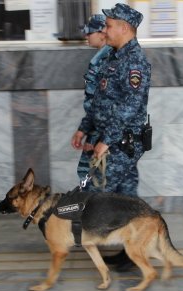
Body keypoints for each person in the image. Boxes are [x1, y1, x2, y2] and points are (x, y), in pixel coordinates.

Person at [71, 3, 151, 272]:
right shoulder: (114, 57)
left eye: (109, 25)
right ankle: (132, 251)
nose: (104, 30)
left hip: (122, 143)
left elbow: (131, 107)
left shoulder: (134, 62)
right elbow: (100, 102)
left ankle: (91, 241)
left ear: (124, 28)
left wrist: (107, 140)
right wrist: (84, 127)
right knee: (126, 196)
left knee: (95, 193)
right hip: (113, 139)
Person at [74, 14, 112, 181]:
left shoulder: (108, 60)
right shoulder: (100, 58)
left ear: (102, 33)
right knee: (92, 179)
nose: (86, 36)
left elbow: (107, 106)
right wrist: (85, 130)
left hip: (103, 135)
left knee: (93, 179)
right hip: (98, 131)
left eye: (89, 33)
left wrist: (96, 137)